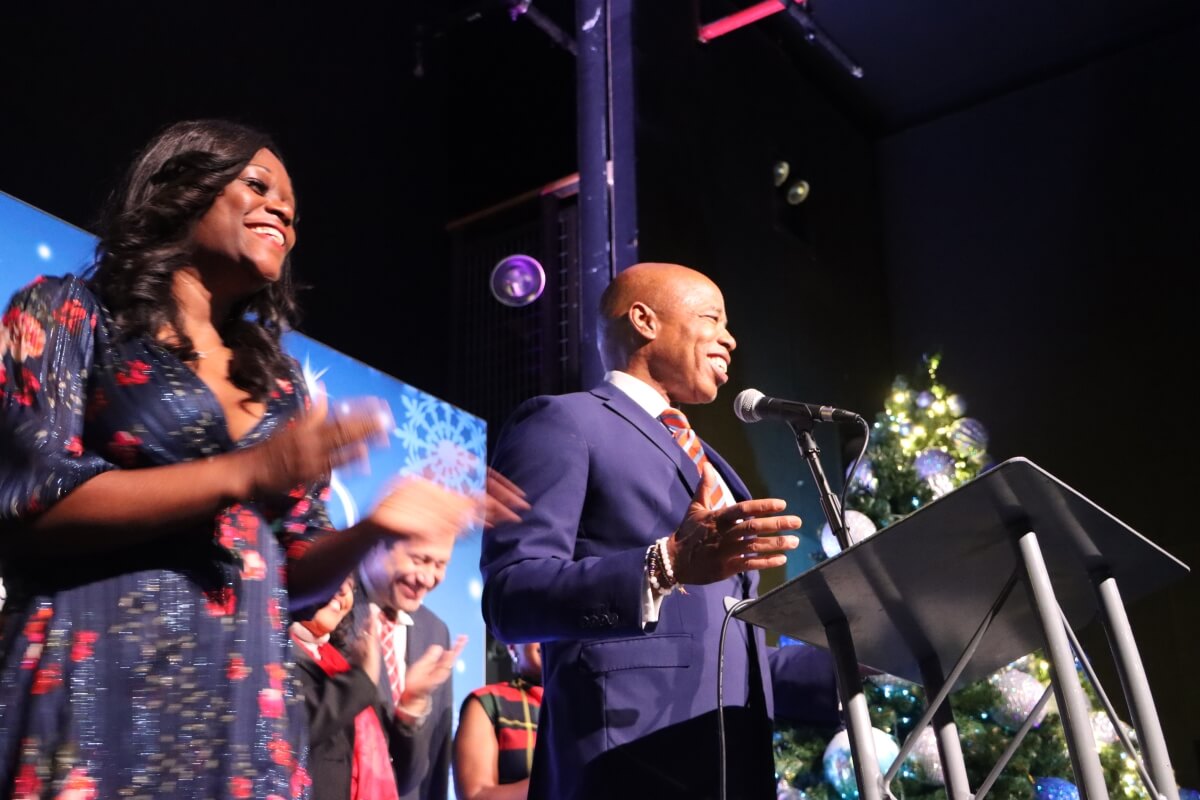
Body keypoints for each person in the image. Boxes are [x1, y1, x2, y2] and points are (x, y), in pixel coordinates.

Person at [0, 119, 520, 798]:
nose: (284, 211)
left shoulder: (280, 387)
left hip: (242, 719)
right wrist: (245, 472)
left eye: (293, 209)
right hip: (97, 687)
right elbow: (29, 504)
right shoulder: (68, 312)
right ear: (179, 188)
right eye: (258, 184)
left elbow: (292, 576)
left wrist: (375, 529)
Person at [481, 262, 806, 799]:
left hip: (732, 764)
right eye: (712, 318)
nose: (730, 337)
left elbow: (723, 646)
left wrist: (869, 649)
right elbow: (510, 597)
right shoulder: (563, 422)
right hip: (625, 761)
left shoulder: (717, 468)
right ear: (644, 320)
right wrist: (666, 565)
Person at [358, 529, 464, 800]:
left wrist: (411, 710)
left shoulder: (436, 632)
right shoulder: (329, 605)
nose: (427, 579)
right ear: (378, 543)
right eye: (419, 560)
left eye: (440, 565)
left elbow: (435, 760)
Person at [291, 575, 399, 800]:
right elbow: (286, 727)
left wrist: (411, 710)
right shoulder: (267, 651)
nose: (343, 592)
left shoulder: (340, 664)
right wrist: (359, 680)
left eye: (350, 585)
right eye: (334, 575)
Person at [452, 642, 544, 800]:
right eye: (538, 625)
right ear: (512, 646)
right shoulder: (488, 702)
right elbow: (475, 795)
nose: (549, 638)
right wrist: (557, 782)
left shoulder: (589, 704)